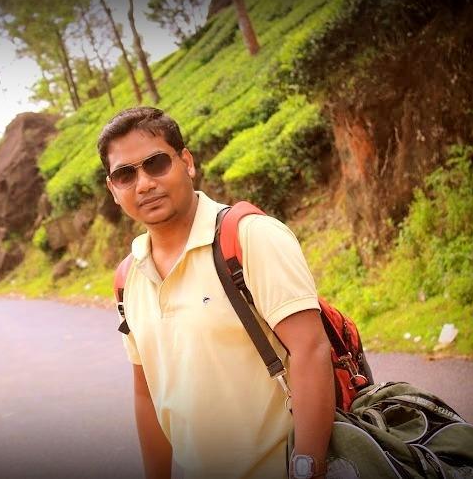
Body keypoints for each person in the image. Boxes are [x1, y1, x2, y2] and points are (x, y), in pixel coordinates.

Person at [98, 106, 335, 479]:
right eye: (125, 175)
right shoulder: (128, 278)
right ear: (113, 189)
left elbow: (311, 350)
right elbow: (147, 394)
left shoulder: (249, 237)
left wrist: (306, 468)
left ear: (187, 162)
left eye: (156, 164)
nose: (143, 184)